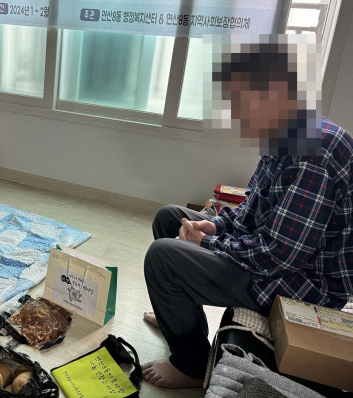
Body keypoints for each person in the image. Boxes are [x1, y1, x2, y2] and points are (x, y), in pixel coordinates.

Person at [142, 37, 353, 389]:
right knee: (169, 217)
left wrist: (208, 244)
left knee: (163, 258)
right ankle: (178, 319)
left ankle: (192, 364)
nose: (236, 114)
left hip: (304, 286)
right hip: (284, 262)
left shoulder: (313, 154)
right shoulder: (285, 133)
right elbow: (252, 211)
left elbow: (279, 255)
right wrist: (213, 226)